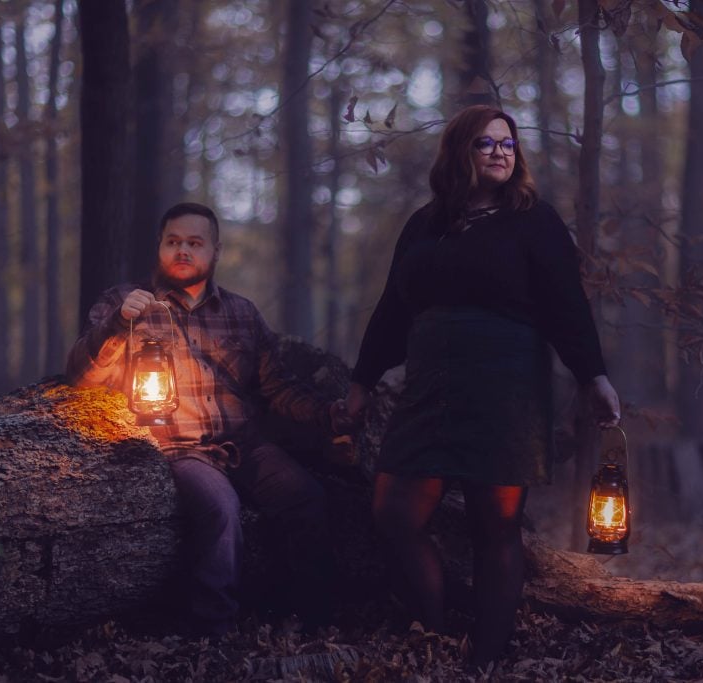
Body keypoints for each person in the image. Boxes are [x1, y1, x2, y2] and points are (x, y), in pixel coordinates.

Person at [344, 105, 620, 667]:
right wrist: (362, 380)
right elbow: (393, 309)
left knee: (495, 526)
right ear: (459, 152)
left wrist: (594, 375)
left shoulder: (534, 220)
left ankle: (486, 657)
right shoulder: (425, 224)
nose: (500, 151)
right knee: (394, 513)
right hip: (431, 385)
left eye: (508, 144)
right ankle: (436, 633)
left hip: (505, 385)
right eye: (486, 143)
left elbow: (568, 306)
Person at [67, 202, 345, 637]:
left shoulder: (241, 313)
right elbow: (82, 379)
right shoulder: (127, 304)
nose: (183, 250)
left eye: (194, 243)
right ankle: (213, 635)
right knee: (220, 507)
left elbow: (278, 388)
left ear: (215, 251)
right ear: (158, 247)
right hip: (178, 447)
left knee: (307, 497)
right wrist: (120, 324)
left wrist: (331, 415)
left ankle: (312, 622)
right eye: (173, 241)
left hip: (246, 443)